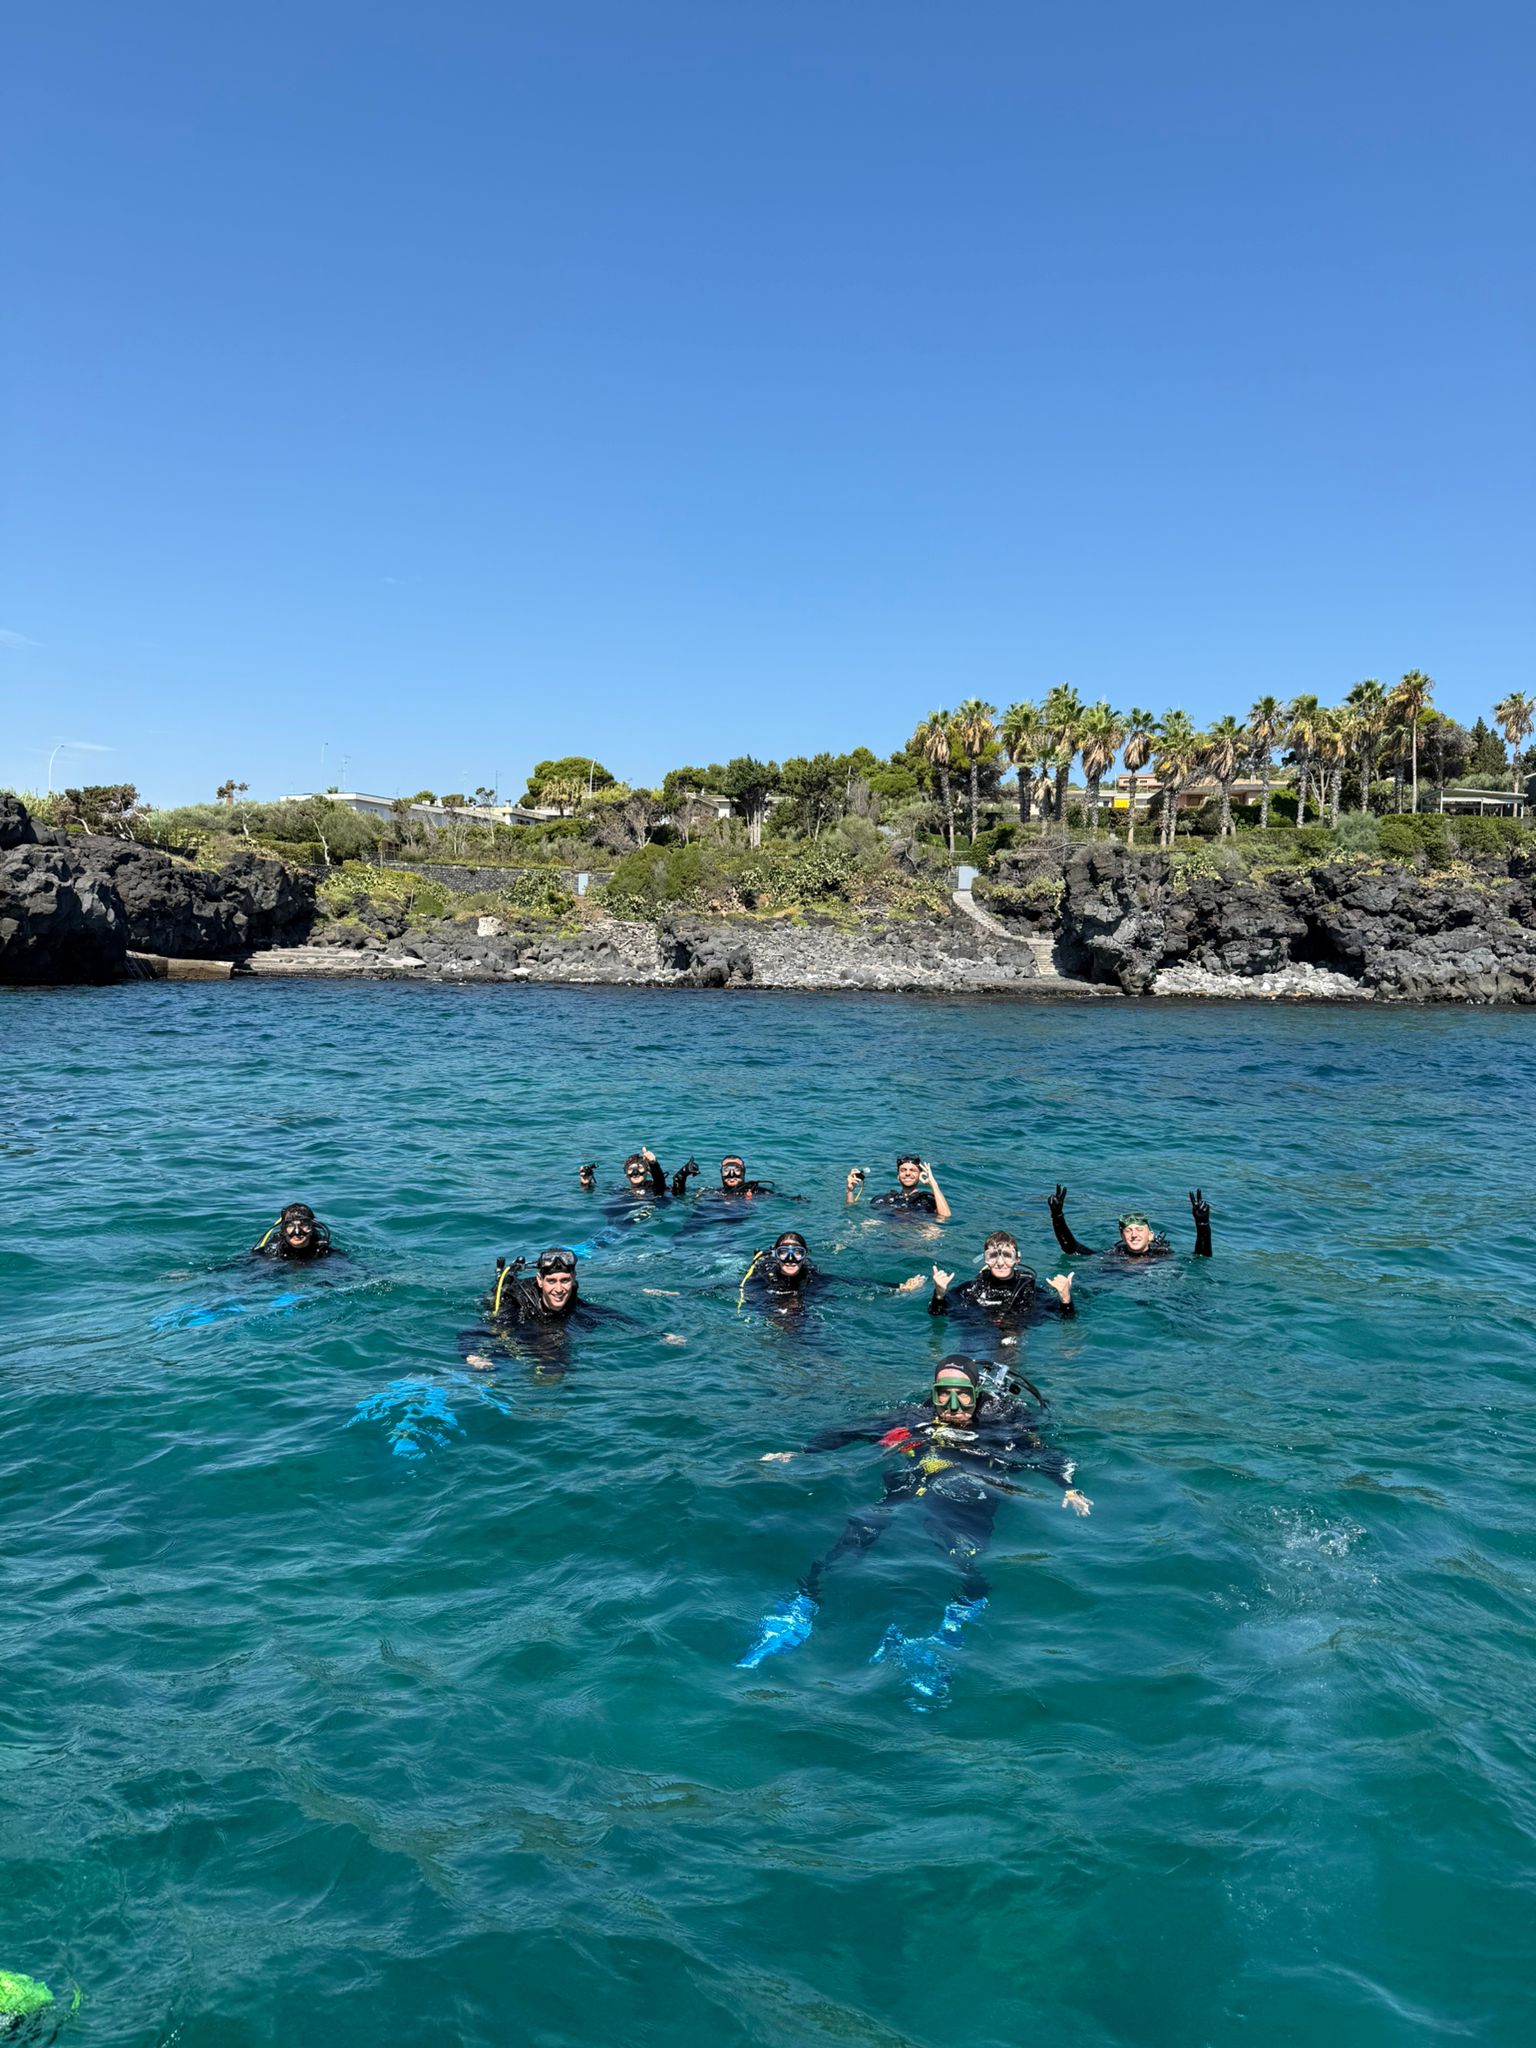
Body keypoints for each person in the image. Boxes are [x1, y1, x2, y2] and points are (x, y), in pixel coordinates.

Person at [738, 1357, 1090, 1706]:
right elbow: (850, 1430)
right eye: (944, 1394)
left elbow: (1044, 1454)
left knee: (965, 1559)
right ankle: (800, 1608)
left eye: (963, 1395)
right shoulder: (915, 1417)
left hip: (969, 1497)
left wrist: (1068, 1487)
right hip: (913, 1484)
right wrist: (802, 1452)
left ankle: (948, 1633)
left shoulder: (1002, 1421)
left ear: (976, 1393)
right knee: (856, 1534)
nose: (953, 1405)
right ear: (934, 1393)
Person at [463, 1246, 632, 1372]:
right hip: (522, 1331)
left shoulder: (575, 1304)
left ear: (573, 1279)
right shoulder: (516, 1304)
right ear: (540, 1280)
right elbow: (472, 1334)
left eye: (564, 1280)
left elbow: (616, 1318)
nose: (559, 1289)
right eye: (551, 1281)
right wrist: (473, 1356)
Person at [737, 1231, 924, 1318]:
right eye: (783, 1253)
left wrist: (900, 1287)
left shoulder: (812, 1277)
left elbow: (853, 1281)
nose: (791, 1259)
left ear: (805, 1256)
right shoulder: (763, 1277)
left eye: (798, 1253)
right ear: (776, 1256)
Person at [929, 1231, 1075, 1327]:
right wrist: (939, 1295)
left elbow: (1066, 1319)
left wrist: (1066, 1299)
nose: (1000, 1262)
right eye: (993, 1256)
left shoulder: (1028, 1290)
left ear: (1017, 1259)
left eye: (1007, 1255)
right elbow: (937, 1314)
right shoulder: (970, 1289)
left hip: (1011, 1336)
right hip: (976, 1333)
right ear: (985, 1259)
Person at [1047, 1185, 1212, 1264]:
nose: (1134, 1235)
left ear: (1150, 1235)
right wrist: (1057, 1215)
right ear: (1122, 1236)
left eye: (1140, 1229)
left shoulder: (1163, 1256)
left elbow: (1201, 1257)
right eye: (1128, 1231)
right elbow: (1072, 1249)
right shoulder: (1115, 1255)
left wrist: (1202, 1223)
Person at [845, 1154, 952, 1221]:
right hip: (886, 1235)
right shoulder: (884, 1199)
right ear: (898, 1176)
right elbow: (851, 1210)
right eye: (903, 1170)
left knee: (932, 1231)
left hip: (914, 1237)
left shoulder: (929, 1201)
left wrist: (933, 1184)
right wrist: (850, 1191)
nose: (907, 1173)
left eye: (913, 1170)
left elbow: (945, 1216)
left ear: (920, 1175)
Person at [252, 1202, 333, 1261]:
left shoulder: (321, 1247)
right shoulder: (272, 1250)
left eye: (303, 1225)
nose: (297, 1232)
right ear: (283, 1229)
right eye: (290, 1225)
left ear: (312, 1227)